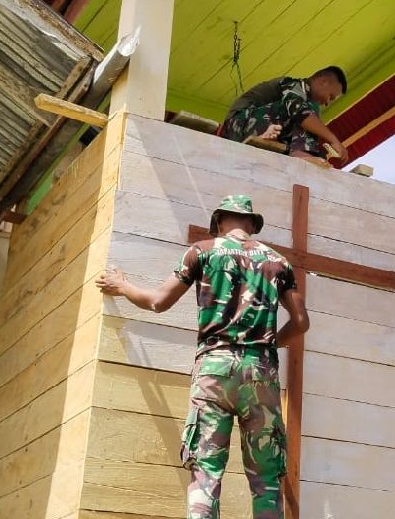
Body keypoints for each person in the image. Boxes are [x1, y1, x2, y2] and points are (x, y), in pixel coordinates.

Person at [95, 195, 310, 519]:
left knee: (206, 476)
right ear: (252, 225)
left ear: (220, 222)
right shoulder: (279, 262)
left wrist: (122, 285)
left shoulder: (203, 252)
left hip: (214, 369)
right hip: (260, 372)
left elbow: (157, 302)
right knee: (266, 481)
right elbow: (301, 322)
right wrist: (269, 345)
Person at [218, 66, 350, 162]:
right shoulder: (291, 85)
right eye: (331, 96)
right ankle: (300, 152)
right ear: (323, 82)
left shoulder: (307, 102)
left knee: (310, 117)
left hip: (263, 129)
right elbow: (301, 113)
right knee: (305, 111)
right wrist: (333, 139)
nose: (327, 102)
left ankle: (290, 148)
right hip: (237, 125)